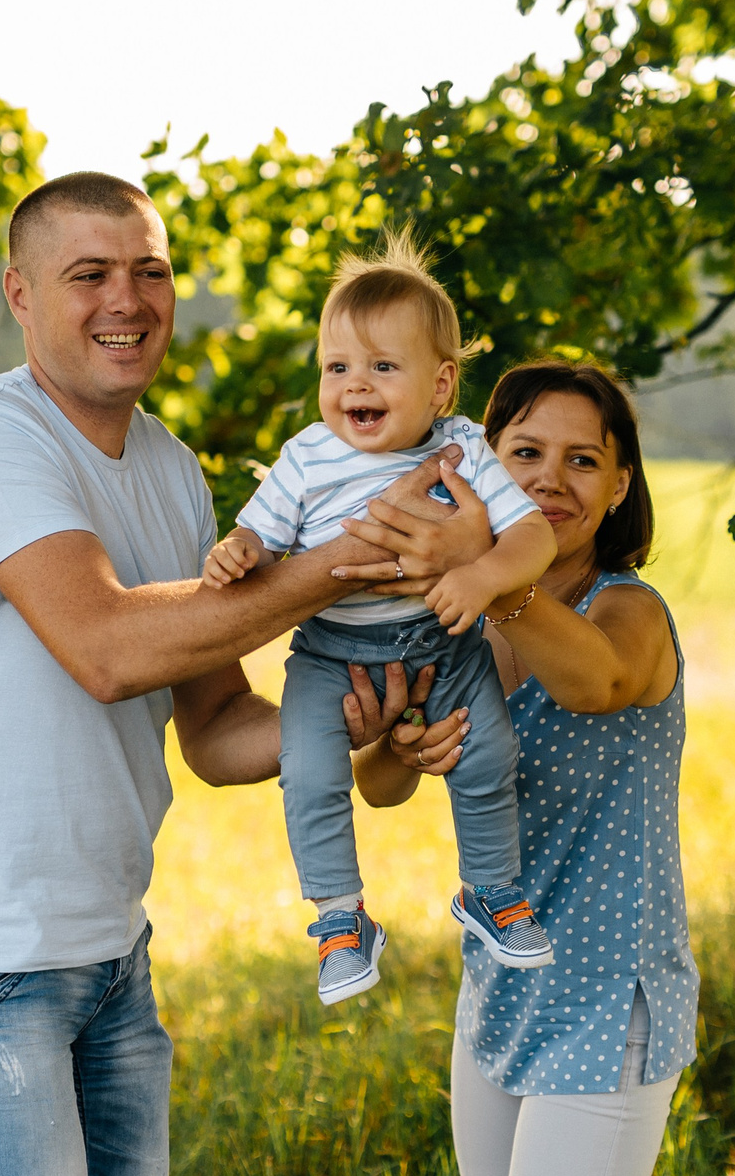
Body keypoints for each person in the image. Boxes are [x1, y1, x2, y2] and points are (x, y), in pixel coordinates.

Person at [0, 172, 491, 1176]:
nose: (125, 299)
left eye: (146, 270)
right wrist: (346, 561)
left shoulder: (174, 472)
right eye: (88, 273)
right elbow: (102, 642)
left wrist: (358, 715)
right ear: (21, 294)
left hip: (105, 943)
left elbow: (216, 731)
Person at [351, 360, 696, 1176]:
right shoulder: (466, 627)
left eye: (581, 460)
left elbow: (595, 681)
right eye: (525, 453)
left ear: (617, 484)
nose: (552, 479)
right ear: (483, 460)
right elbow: (383, 782)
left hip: (610, 1003)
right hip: (499, 989)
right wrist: (397, 740)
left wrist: (489, 572)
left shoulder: (626, 609)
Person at [204, 230, 559, 1005]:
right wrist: (237, 549)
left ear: (439, 388)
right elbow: (262, 534)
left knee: (489, 755)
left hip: (445, 640)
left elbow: (532, 531)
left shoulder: (463, 448)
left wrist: (484, 573)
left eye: (381, 367)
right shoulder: (306, 455)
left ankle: (492, 890)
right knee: (310, 771)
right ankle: (338, 918)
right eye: (337, 368)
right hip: (331, 653)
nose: (353, 385)